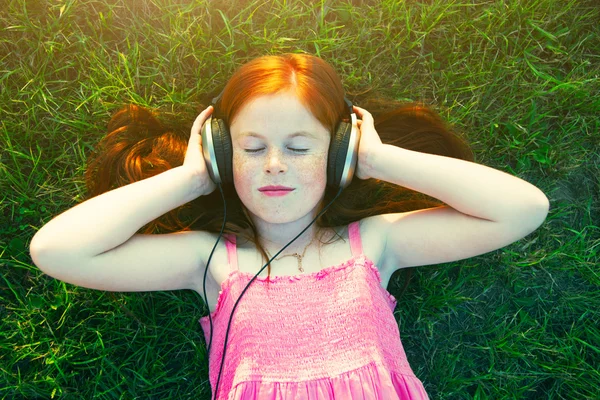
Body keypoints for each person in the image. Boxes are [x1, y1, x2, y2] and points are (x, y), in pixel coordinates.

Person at [30, 53, 549, 399]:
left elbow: (522, 208)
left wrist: (381, 161)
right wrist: (190, 180)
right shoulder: (210, 260)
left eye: (300, 147)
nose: (274, 163)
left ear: (340, 154)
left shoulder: (374, 243)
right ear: (222, 154)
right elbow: (57, 250)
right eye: (251, 148)